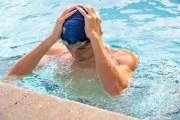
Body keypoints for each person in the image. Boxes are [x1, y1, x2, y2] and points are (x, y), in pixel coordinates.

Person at [2, 5, 138, 97]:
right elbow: (10, 78)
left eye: (83, 47)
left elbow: (115, 92)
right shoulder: (57, 52)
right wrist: (51, 38)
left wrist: (95, 37)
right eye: (69, 47)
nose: (76, 55)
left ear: (96, 35)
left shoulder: (122, 58)